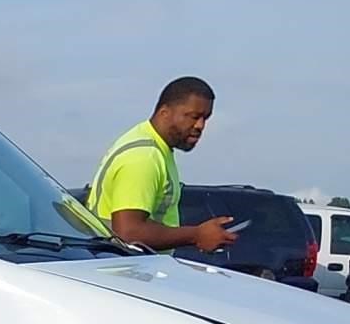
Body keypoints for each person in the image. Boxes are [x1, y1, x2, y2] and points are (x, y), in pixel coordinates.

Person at [86, 77, 237, 252]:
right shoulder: (144, 157)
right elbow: (128, 232)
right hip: (122, 271)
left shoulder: (156, 149)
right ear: (164, 113)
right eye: (193, 117)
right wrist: (196, 235)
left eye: (205, 118)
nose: (200, 126)